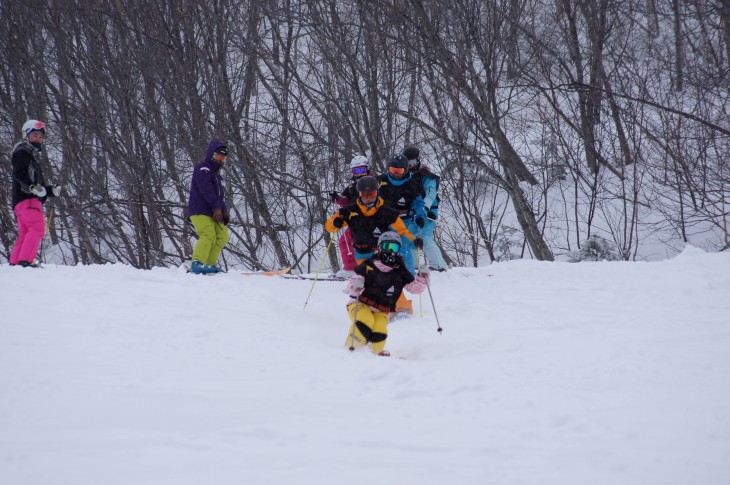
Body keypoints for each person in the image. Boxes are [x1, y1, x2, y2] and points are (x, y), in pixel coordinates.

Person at [344, 231, 429, 356]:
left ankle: (375, 352)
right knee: (365, 320)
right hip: (360, 303)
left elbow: (414, 289)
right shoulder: (368, 265)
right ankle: (351, 349)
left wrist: (422, 278)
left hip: (382, 309)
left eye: (393, 247)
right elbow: (354, 283)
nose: (389, 251)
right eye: (386, 246)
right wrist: (357, 286)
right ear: (379, 248)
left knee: (380, 329)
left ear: (398, 250)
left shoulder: (400, 271)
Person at [325, 175, 422, 265]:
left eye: (371, 194)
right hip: (361, 254)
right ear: (359, 194)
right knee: (366, 278)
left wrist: (414, 242)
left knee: (381, 277)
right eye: (364, 194)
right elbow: (329, 227)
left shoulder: (387, 212)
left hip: (382, 253)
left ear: (377, 193)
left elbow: (402, 232)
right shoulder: (350, 211)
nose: (368, 198)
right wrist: (335, 223)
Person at [9, 120, 62, 268]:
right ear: (27, 136)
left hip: (21, 199)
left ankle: (16, 263)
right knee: (37, 228)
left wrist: (50, 190)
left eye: (41, 136)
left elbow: (33, 180)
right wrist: (32, 187)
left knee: (26, 231)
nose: (38, 139)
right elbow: (21, 174)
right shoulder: (22, 152)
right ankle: (25, 261)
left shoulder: (26, 153)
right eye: (35, 135)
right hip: (28, 199)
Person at [402, 146, 449, 271]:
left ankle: (438, 266)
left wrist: (425, 207)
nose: (411, 166)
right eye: (408, 163)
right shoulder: (406, 176)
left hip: (428, 211)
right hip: (413, 212)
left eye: (412, 162)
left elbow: (431, 192)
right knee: (409, 237)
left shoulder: (426, 175)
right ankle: (413, 265)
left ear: (418, 160)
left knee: (425, 237)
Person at [187, 140, 231, 274]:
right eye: (218, 157)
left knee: (222, 236)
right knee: (208, 234)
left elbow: (218, 196)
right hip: (200, 210)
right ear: (211, 155)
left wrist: (223, 211)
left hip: (212, 211)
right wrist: (216, 208)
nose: (221, 161)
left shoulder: (216, 177)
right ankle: (197, 263)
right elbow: (206, 190)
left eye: (224, 158)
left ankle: (209, 264)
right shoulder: (203, 169)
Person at [329, 155, 374, 274]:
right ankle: (352, 268)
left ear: (367, 169)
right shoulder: (352, 188)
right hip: (356, 220)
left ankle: (364, 268)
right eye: (356, 171)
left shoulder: (375, 182)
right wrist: (337, 198)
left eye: (362, 170)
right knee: (345, 241)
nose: (359, 174)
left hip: (373, 219)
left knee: (369, 243)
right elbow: (346, 201)